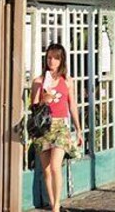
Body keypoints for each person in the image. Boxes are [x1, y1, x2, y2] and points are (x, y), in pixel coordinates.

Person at [31, 44, 83, 212]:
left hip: (61, 125)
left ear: (61, 60)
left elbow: (72, 104)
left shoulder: (67, 80)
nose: (51, 61)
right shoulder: (38, 81)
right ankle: (53, 202)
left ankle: (55, 207)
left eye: (55, 58)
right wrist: (43, 99)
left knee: (55, 166)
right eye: (49, 57)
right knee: (46, 171)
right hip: (44, 127)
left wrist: (78, 128)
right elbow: (33, 106)